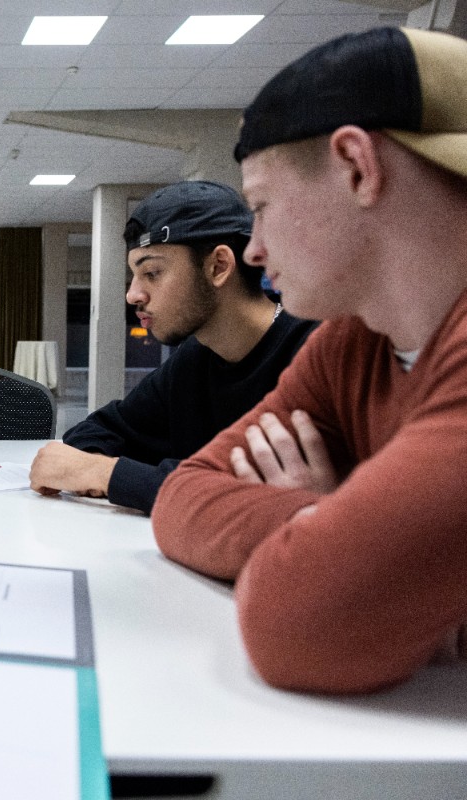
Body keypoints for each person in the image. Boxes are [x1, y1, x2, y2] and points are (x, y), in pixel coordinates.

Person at [152, 27, 467, 694]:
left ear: (357, 166)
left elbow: (300, 625)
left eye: (261, 207)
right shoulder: (354, 340)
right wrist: (336, 525)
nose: (255, 250)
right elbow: (182, 495)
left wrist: (351, 554)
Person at [29, 181, 316, 513]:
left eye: (152, 272)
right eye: (135, 275)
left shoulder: (313, 352)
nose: (133, 295)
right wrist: (94, 469)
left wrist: (107, 474)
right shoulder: (195, 359)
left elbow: (253, 496)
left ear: (218, 266)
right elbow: (99, 430)